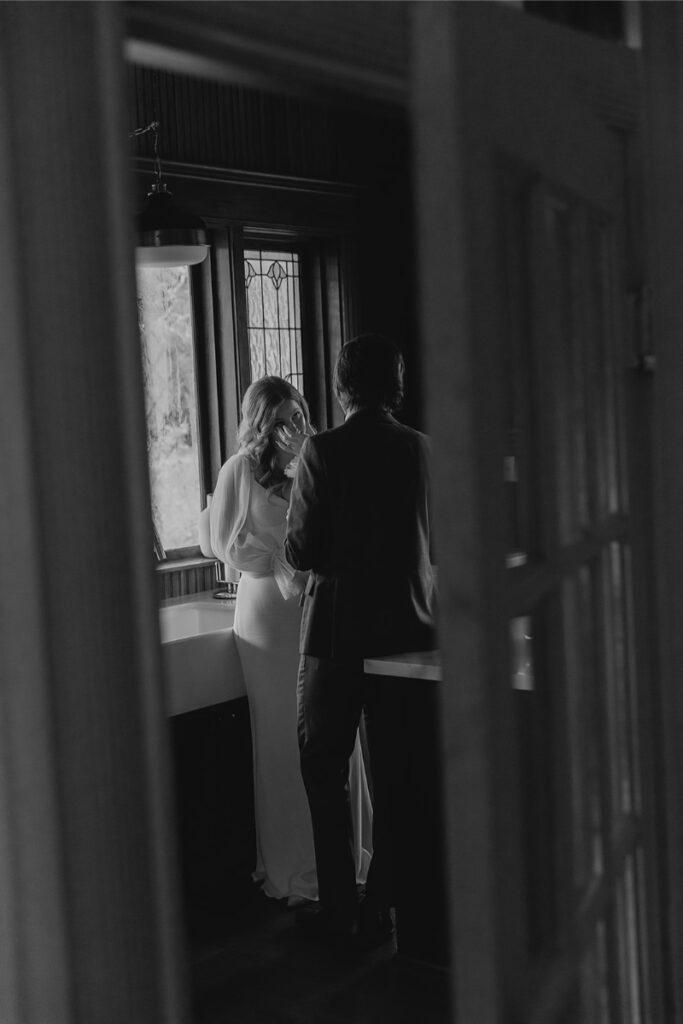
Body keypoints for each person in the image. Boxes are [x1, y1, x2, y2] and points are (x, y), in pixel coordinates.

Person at [285, 335, 436, 948]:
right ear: (395, 385)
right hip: (406, 632)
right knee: (397, 780)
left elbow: (302, 549)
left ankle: (341, 911)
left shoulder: (321, 451)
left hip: (336, 636)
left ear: (342, 387)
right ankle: (385, 906)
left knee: (324, 770)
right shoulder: (423, 450)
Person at [209, 376, 372, 905]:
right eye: (281, 420)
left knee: (328, 738)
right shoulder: (239, 471)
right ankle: (295, 868)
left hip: (318, 610)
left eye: (299, 415)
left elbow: (339, 531)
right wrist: (279, 557)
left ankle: (341, 861)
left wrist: (305, 466)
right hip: (266, 620)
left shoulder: (316, 464)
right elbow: (226, 548)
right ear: (261, 426)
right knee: (281, 742)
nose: (294, 428)